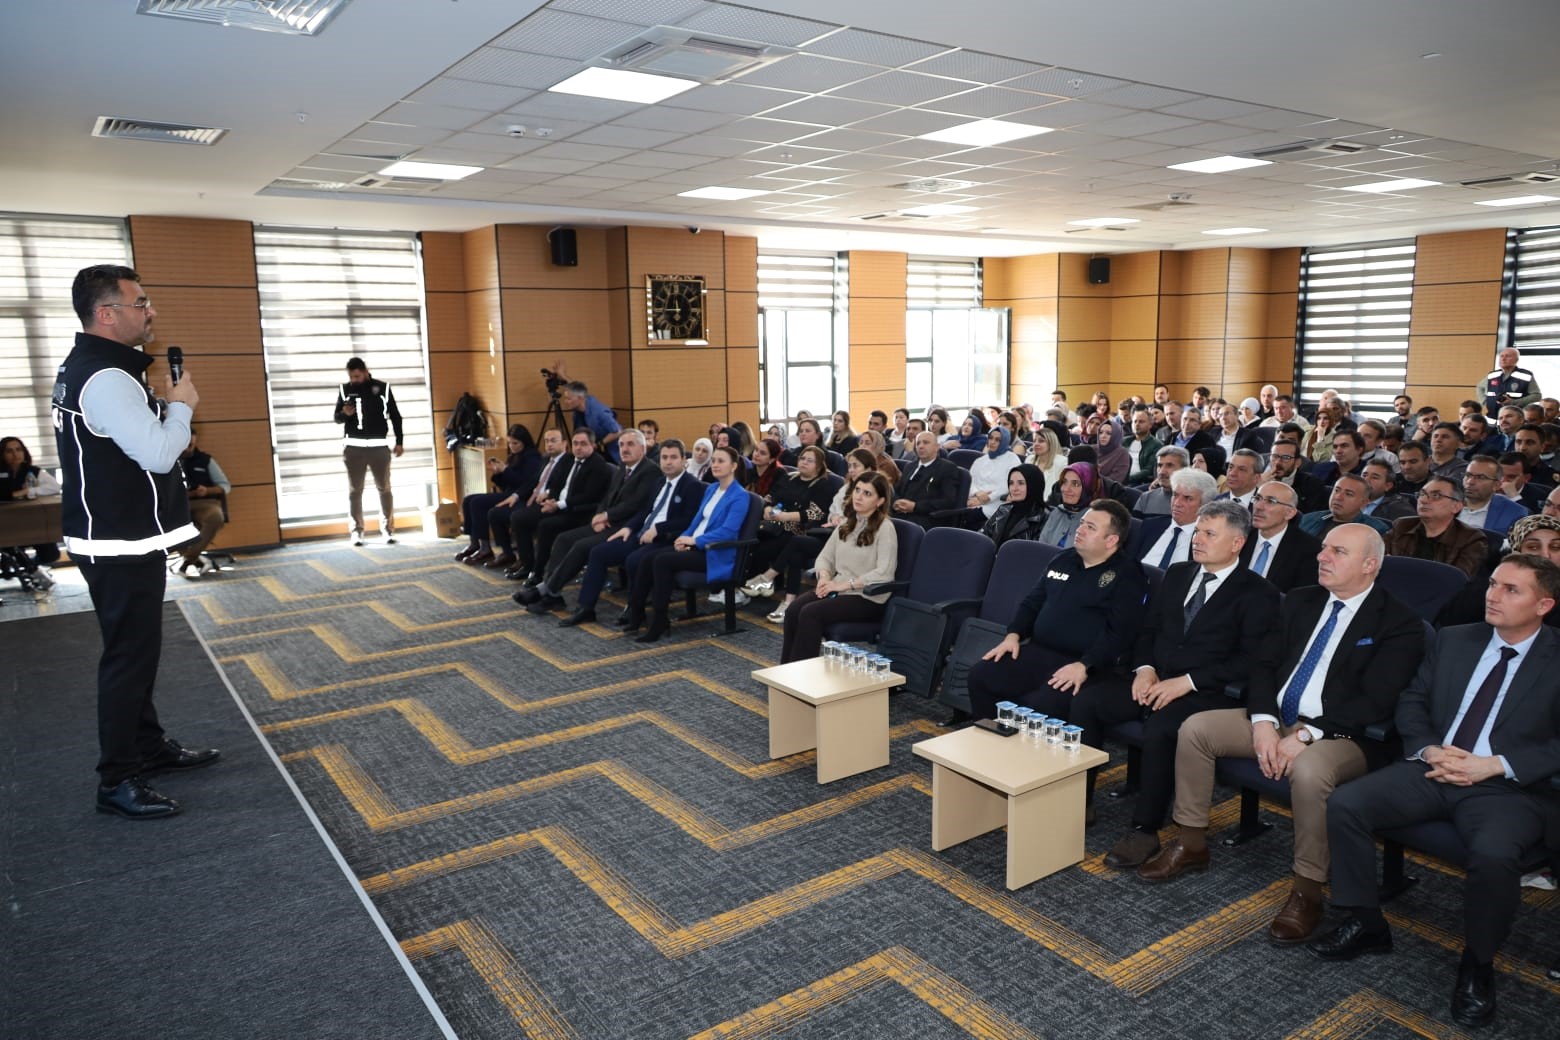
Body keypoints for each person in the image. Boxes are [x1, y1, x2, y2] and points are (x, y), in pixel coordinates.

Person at [1142, 526, 1425, 946]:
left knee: (1309, 772)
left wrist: (1307, 735)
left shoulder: (1399, 622)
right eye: (1324, 547)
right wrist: (1262, 722)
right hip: (1277, 716)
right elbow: (1263, 665)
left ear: (1370, 565)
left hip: (1345, 735)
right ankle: (1191, 842)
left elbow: (1377, 701)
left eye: (1337, 551)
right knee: (1197, 729)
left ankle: (1307, 891)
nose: (1322, 556)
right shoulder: (1300, 599)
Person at [1311, 554, 1560, 1029]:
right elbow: (1413, 701)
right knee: (1346, 803)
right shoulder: (1455, 638)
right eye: (1493, 584)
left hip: (1506, 788)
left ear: (1544, 604)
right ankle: (1366, 921)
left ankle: (1478, 964)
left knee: (1493, 855)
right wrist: (1428, 749)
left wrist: (1496, 764)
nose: (1493, 595)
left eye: (1512, 590)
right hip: (1435, 766)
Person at [52, 264, 217, 819]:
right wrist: (183, 404)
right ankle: (117, 779)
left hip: (115, 534)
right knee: (129, 658)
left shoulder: (93, 368)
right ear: (106, 313)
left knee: (137, 654)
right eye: (140, 302)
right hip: (117, 540)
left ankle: (147, 747)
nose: (151, 312)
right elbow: (158, 452)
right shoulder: (106, 378)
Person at [1072, 499, 1281, 867]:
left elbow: (1249, 662)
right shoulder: (1180, 573)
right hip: (1155, 678)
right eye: (1197, 531)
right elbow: (1148, 629)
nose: (1197, 539)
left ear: (1237, 543)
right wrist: (1145, 668)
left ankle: (1144, 829)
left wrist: (1188, 682)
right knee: (1089, 701)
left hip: (1208, 692)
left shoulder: (1258, 593)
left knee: (1163, 728)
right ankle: (1080, 801)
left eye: (1209, 534)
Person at [967, 500, 1148, 725]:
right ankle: (990, 741)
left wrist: (1085, 665)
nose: (1080, 529)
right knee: (982, 676)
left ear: (1111, 540)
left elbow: (1120, 633)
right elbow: (1032, 603)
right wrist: (1012, 635)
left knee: (1041, 706)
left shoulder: (1128, 574)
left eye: (1090, 527)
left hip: (1085, 664)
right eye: (1082, 523)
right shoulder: (1064, 559)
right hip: (1040, 651)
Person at [558, 439, 703, 627]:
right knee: (598, 552)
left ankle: (635, 608)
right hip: (641, 534)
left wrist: (658, 529)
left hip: (666, 538)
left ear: (684, 460)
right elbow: (644, 511)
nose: (668, 462)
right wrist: (629, 527)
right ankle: (585, 608)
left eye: (673, 457)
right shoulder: (659, 482)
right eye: (664, 457)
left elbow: (689, 520)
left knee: (634, 560)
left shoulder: (692, 485)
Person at [517, 429, 657, 613]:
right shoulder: (623, 467)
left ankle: (547, 590)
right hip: (607, 522)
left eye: (630, 444)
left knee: (582, 546)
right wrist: (598, 517)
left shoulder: (650, 471)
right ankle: (552, 592)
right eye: (621, 445)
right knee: (563, 539)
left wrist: (606, 516)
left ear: (643, 448)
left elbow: (635, 504)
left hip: (626, 527)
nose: (624, 449)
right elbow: (606, 498)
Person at [622, 444, 749, 643]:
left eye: (721, 461)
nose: (715, 465)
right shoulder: (712, 489)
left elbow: (728, 531)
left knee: (661, 560)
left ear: (733, 466)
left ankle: (659, 621)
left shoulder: (740, 496)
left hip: (715, 553)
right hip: (695, 546)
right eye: (713, 460)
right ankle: (637, 612)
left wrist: (695, 540)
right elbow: (696, 521)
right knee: (648, 557)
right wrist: (684, 537)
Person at [779, 471, 898, 663]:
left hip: (868, 597)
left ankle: (800, 679)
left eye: (867, 493)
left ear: (880, 501)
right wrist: (825, 577)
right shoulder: (847, 523)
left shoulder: (885, 528)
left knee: (811, 613)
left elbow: (884, 573)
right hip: (838, 588)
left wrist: (843, 585)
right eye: (857, 490)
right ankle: (786, 671)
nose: (859, 496)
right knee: (793, 610)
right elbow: (826, 557)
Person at [741, 445, 841, 622]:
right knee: (764, 546)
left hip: (806, 529)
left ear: (819, 465)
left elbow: (815, 513)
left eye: (810, 460)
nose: (803, 462)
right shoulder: (789, 478)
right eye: (802, 458)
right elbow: (771, 497)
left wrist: (785, 516)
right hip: (779, 526)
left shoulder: (824, 483)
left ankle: (767, 580)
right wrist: (768, 509)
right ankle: (783, 598)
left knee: (794, 543)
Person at [507, 428, 612, 586]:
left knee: (546, 526)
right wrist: (551, 499)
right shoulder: (573, 461)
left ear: (593, 445)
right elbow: (557, 485)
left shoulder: (597, 465)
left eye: (583, 444)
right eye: (575, 443)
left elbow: (589, 496)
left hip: (581, 512)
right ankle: (528, 565)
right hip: (562, 505)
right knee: (520, 518)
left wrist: (558, 505)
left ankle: (539, 572)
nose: (578, 447)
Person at [333, 356, 404, 546]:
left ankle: (388, 530)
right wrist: (344, 414)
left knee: (384, 489)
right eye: (351, 377)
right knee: (355, 491)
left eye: (357, 376)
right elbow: (336, 418)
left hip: (378, 447)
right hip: (353, 448)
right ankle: (356, 531)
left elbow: (396, 416)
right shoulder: (345, 389)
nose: (354, 380)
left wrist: (399, 442)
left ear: (365, 371)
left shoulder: (382, 388)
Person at [456, 424, 541, 565]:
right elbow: (505, 484)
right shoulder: (514, 456)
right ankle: (474, 542)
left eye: (515, 443)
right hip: (509, 493)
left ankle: (485, 548)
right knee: (468, 500)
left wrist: (505, 470)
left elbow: (525, 483)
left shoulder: (532, 457)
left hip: (520, 496)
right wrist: (497, 473)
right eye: (509, 443)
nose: (512, 446)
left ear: (524, 442)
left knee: (477, 503)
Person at [483, 428, 563, 569]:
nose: (549, 444)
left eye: (553, 441)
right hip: (529, 498)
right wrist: (515, 495)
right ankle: (507, 553)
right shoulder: (545, 459)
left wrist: (549, 493)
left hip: (548, 502)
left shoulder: (567, 461)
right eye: (547, 441)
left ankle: (527, 563)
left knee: (518, 517)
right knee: (495, 513)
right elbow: (532, 482)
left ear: (564, 443)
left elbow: (564, 485)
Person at [1383, 476, 1488, 578]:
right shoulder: (1402, 526)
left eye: (1436, 496)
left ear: (1456, 506)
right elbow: (1377, 560)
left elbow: (1456, 581)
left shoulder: (1471, 539)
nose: (1423, 500)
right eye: (1422, 494)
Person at [1, 436, 63, 585]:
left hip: (32, 523)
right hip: (6, 526)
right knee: (11, 547)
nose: (15, 454)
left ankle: (30, 567)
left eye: (18, 449)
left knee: (51, 554)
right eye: (9, 451)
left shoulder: (33, 471)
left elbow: (55, 487)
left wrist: (29, 491)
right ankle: (29, 569)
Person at [1239, 480, 1321, 591]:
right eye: (1257, 498)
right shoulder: (1239, 535)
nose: (1258, 506)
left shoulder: (1309, 549)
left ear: (1290, 513)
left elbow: (1299, 598)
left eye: (1270, 501)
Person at [172, 427, 231, 579]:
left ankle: (188, 560)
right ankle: (193, 559)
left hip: (204, 503)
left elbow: (225, 486)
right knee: (168, 521)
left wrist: (208, 491)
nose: (189, 448)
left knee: (215, 517)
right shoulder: (167, 460)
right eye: (186, 445)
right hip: (177, 506)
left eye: (192, 444)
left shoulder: (205, 460)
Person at [1136, 468, 1218, 569]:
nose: (1177, 503)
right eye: (1175, 495)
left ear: (1205, 504)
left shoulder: (1207, 540)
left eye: (1188, 498)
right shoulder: (1150, 526)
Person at [892, 431, 962, 527]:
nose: (921, 446)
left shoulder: (947, 468)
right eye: (918, 443)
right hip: (900, 512)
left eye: (926, 442)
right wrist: (896, 501)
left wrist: (915, 507)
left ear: (937, 447)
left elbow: (947, 501)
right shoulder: (910, 466)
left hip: (926, 517)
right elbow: (897, 490)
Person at [1298, 474, 1390, 537]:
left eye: (1348, 494)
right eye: (1337, 490)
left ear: (1364, 503)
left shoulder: (1375, 530)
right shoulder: (1308, 519)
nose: (1338, 497)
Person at [980, 464, 1048, 548]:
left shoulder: (1044, 518)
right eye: (1011, 483)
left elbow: (1035, 554)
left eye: (1021, 483)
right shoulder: (1004, 509)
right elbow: (982, 538)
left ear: (1033, 485)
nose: (1014, 488)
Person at [1458, 455, 1527, 535]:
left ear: (1496, 485)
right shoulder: (1448, 502)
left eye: (1480, 477)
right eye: (1468, 475)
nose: (1470, 482)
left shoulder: (1514, 513)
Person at [559, 377, 622, 463]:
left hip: (612, 453)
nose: (566, 402)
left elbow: (617, 431)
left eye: (569, 399)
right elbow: (578, 388)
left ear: (580, 399)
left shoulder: (599, 412)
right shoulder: (580, 408)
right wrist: (563, 376)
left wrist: (599, 444)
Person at [1037, 462, 1097, 548]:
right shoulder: (1057, 512)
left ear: (1088, 487)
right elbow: (1041, 549)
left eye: (1075, 484)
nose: (1066, 489)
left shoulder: (1095, 519)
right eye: (1064, 482)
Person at [967, 426, 1021, 521]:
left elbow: (1008, 485)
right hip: (974, 500)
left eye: (998, 440)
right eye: (990, 438)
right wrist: (977, 493)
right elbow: (970, 481)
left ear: (1004, 441)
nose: (992, 442)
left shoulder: (1013, 460)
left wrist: (989, 498)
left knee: (970, 516)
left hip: (997, 504)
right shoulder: (980, 460)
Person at [1480, 346, 1542, 414]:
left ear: (1516, 360)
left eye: (1507, 356)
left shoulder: (1525, 375)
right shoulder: (1493, 375)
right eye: (1501, 356)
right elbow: (1480, 388)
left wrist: (1513, 402)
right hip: (1492, 418)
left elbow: (1537, 396)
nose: (1503, 359)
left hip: (1514, 418)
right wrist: (1485, 402)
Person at [1132, 445, 1189, 516]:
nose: (1162, 472)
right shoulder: (1145, 499)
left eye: (1169, 465)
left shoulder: (1197, 501)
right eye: (1159, 465)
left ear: (1184, 470)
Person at [1357, 458, 1416, 523]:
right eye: (1364, 475)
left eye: (1374, 477)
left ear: (1388, 486)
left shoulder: (1399, 508)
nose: (1366, 480)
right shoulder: (1347, 500)